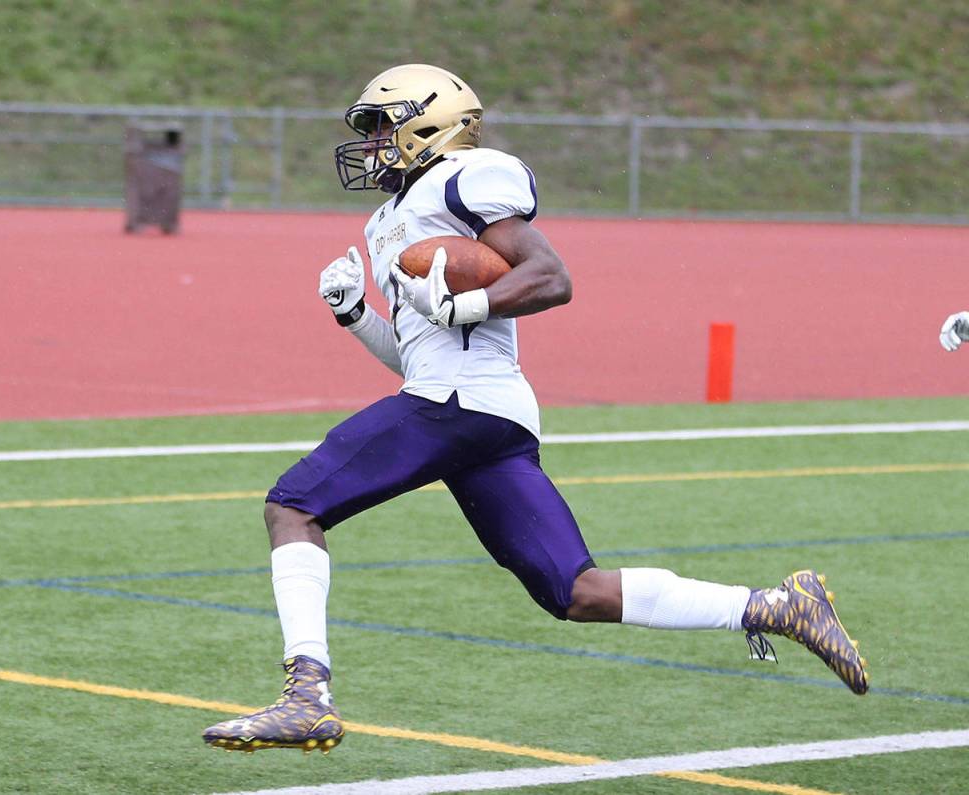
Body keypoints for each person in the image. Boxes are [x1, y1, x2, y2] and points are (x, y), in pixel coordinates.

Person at [202, 64, 869, 754]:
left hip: (457, 405)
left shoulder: (466, 176)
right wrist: (354, 316)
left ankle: (306, 692)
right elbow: (415, 356)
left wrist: (467, 302)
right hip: (482, 413)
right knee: (575, 590)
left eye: (381, 125)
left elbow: (552, 276)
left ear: (428, 122)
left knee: (294, 503)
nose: (371, 143)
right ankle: (777, 605)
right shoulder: (384, 221)